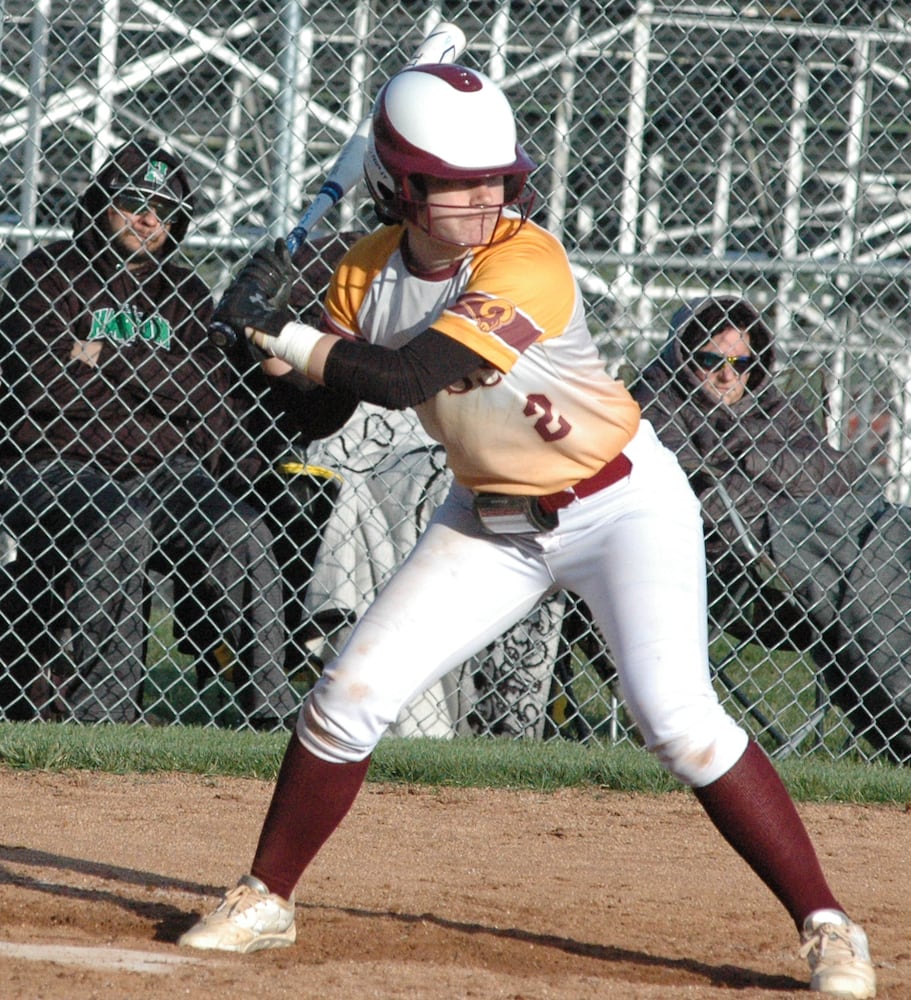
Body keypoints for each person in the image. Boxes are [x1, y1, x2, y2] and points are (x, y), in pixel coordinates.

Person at [177, 66, 875, 998]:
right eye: (452, 183)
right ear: (398, 185)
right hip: (489, 522)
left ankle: (826, 924)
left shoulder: (524, 258)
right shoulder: (359, 272)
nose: (481, 199)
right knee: (348, 696)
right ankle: (266, 897)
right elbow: (325, 410)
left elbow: (407, 376)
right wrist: (260, 353)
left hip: (621, 506)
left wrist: (292, 332)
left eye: (492, 179)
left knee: (678, 724)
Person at [0, 138, 300, 730]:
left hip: (167, 471)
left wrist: (107, 356)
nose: (147, 218)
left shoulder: (185, 294)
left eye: (163, 208)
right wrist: (163, 384)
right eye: (132, 201)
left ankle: (270, 712)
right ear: (101, 204)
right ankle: (104, 716)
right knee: (122, 519)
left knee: (245, 532)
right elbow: (45, 392)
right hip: (56, 461)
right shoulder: (44, 277)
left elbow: (206, 389)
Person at [631, 294, 911, 762]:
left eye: (741, 363)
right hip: (750, 576)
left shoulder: (782, 406)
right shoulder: (654, 407)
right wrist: (779, 472)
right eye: (709, 361)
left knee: (895, 540)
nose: (727, 376)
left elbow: (849, 477)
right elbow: (707, 497)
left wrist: (743, 457)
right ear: (682, 356)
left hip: (838, 542)